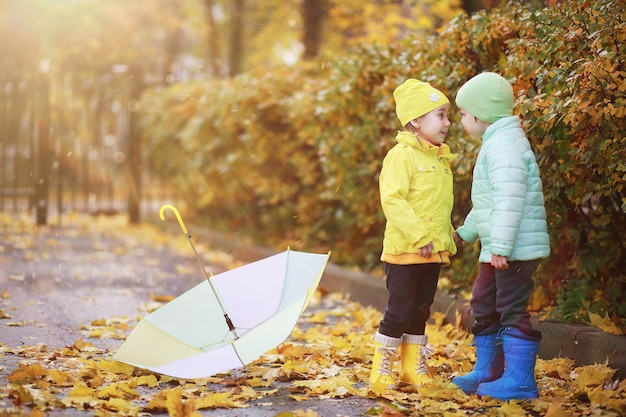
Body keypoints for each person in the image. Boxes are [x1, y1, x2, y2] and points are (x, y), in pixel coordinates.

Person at [451, 72, 550, 400]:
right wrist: (466, 233)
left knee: (510, 305)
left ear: (480, 115)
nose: (462, 119)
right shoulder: (496, 143)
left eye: (463, 113)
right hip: (500, 247)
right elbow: (489, 202)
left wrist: (502, 246)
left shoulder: (504, 145)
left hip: (513, 249)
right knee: (483, 300)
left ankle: (520, 380)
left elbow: (510, 198)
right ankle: (489, 370)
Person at [370, 79, 457, 388]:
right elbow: (392, 199)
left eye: (448, 115)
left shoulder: (439, 158)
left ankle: (412, 367)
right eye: (441, 115)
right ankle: (381, 367)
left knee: (421, 310)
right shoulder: (401, 156)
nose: (448, 122)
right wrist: (420, 235)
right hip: (405, 249)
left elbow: (438, 205)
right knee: (399, 309)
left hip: (431, 251)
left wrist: (445, 236)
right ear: (416, 120)